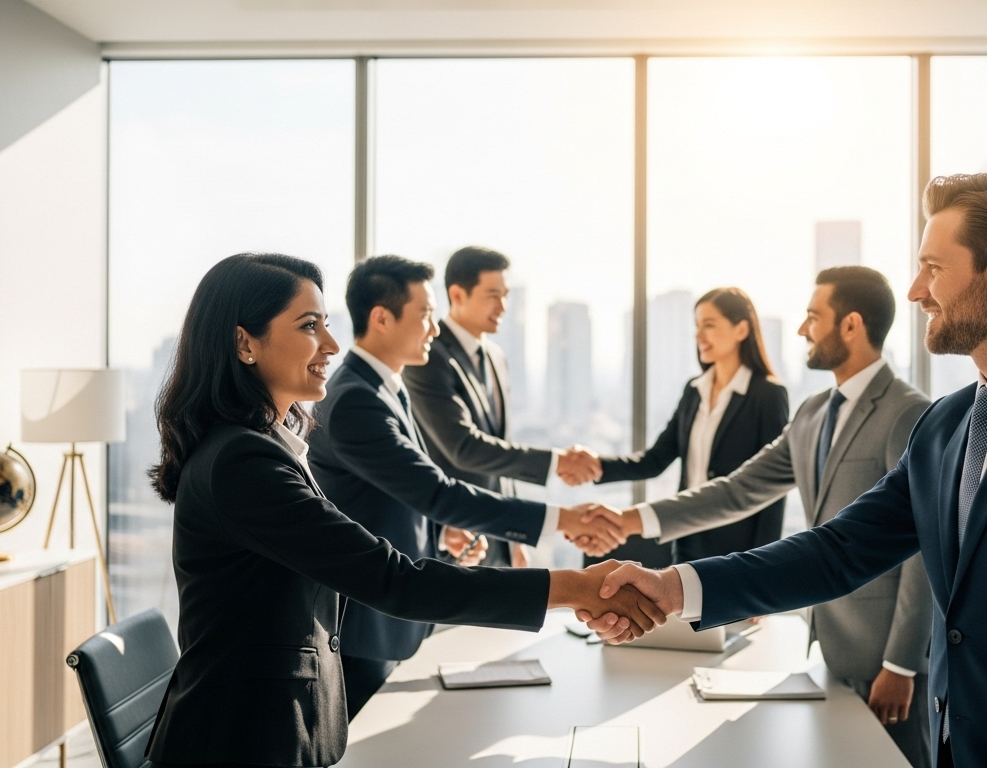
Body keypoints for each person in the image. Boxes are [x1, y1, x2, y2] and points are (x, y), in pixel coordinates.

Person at [587, 174, 987, 768]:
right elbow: (838, 551)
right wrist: (676, 588)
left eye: (933, 268)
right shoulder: (946, 425)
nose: (917, 291)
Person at [143, 253, 661, 768]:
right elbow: (393, 578)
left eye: (326, 323)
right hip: (236, 742)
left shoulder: (263, 447)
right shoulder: (243, 462)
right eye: (309, 326)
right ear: (244, 343)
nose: (331, 345)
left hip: (270, 732)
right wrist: (574, 587)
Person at [586, 269, 934, 767]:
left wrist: (902, 663)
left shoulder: (908, 412)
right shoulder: (813, 412)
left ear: (852, 325)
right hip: (830, 644)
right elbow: (738, 489)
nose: (802, 329)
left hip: (885, 656)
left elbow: (921, 549)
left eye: (813, 317)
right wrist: (631, 520)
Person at [307, 254, 627, 718]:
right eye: (425, 314)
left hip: (391, 616)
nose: (434, 328)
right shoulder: (356, 400)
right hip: (365, 623)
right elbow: (438, 491)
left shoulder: (385, 389)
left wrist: (441, 533)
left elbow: (395, 494)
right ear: (381, 319)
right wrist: (563, 519)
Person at [403, 246, 601, 568]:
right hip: (451, 537)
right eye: (493, 295)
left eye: (506, 296)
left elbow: (500, 449)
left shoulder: (496, 356)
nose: (503, 306)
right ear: (457, 294)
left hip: (496, 536)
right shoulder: (428, 357)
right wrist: (556, 461)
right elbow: (463, 447)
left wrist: (513, 540)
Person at [591, 287, 789, 566]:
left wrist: (764, 568)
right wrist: (595, 466)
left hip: (738, 550)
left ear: (741, 330)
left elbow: (772, 490)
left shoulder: (767, 395)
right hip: (686, 539)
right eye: (697, 326)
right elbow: (655, 460)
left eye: (709, 325)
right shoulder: (694, 391)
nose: (698, 336)